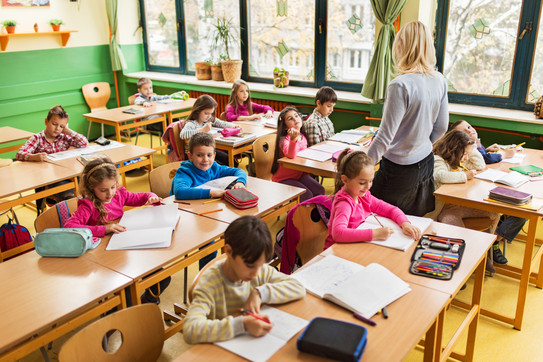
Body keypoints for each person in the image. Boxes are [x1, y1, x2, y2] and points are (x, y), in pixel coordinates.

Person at [367, 21, 449, 216]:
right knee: (411, 222)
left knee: (377, 217)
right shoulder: (439, 80)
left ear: (403, 46)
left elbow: (385, 137)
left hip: (398, 168)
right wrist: (421, 143)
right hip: (425, 161)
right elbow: (442, 127)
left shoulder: (400, 85)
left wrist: (361, 167)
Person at [183, 215, 306, 344]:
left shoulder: (259, 270)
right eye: (250, 266)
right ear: (229, 252)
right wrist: (242, 324)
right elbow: (190, 330)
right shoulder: (209, 283)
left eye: (261, 265)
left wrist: (259, 293)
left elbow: (298, 287)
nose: (255, 273)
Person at [64, 157, 170, 304]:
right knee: (126, 293)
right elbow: (70, 227)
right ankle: (119, 314)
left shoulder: (119, 194)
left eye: (113, 187)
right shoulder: (88, 204)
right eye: (103, 190)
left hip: (123, 248)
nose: (110, 194)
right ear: (91, 188)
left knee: (163, 277)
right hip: (102, 258)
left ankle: (147, 303)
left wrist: (151, 197)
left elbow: (142, 196)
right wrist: (104, 229)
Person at [451, 120, 526, 265]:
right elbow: (483, 160)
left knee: (522, 210)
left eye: (469, 126)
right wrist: (502, 154)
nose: (469, 131)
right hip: (474, 194)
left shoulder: (476, 145)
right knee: (519, 213)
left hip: (484, 186)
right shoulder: (465, 150)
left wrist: (487, 149)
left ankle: (494, 241)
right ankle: (492, 242)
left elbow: (483, 155)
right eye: (464, 131)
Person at [171, 132, 247, 269]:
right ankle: (205, 278)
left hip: (207, 213)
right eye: (199, 155)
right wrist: (211, 192)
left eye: (209, 155)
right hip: (183, 219)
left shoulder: (214, 167)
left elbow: (239, 172)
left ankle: (223, 272)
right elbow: (180, 192)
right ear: (190, 156)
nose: (205, 159)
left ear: (214, 155)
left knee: (234, 234)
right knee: (210, 242)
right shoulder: (185, 172)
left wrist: (240, 182)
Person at [432, 130, 505, 268]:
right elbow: (440, 176)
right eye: (464, 154)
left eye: (467, 154)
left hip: (460, 205)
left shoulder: (457, 161)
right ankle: (462, 263)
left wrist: (472, 147)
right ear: (454, 149)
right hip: (444, 208)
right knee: (456, 231)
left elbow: (479, 165)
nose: (466, 158)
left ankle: (485, 252)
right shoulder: (439, 159)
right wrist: (465, 176)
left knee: (494, 213)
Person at [325, 149, 421, 249]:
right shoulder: (344, 204)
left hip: (356, 246)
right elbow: (338, 234)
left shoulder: (363, 196)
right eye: (362, 183)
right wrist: (374, 234)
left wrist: (405, 224)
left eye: (370, 181)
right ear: (345, 179)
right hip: (336, 251)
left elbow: (391, 209)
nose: (368, 187)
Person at [16, 105, 89, 211]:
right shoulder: (37, 138)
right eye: (54, 124)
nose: (57, 129)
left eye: (61, 126)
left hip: (68, 174)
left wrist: (68, 131)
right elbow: (19, 154)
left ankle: (88, 216)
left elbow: (84, 143)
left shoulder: (64, 136)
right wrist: (34, 157)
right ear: (46, 122)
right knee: (71, 196)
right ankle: (72, 219)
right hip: (50, 180)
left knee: (89, 185)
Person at [271, 106, 325, 202]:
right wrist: (293, 139)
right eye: (290, 119)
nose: (295, 119)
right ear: (285, 126)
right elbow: (291, 155)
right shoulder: (283, 140)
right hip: (284, 179)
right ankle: (303, 216)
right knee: (307, 195)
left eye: (296, 115)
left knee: (320, 190)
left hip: (298, 175)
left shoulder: (303, 136)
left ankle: (317, 214)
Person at [180, 94, 238, 166]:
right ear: (197, 111)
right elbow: (183, 134)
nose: (209, 116)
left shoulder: (207, 119)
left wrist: (234, 126)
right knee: (221, 166)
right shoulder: (192, 123)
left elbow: (220, 123)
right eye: (206, 113)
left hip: (207, 152)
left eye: (211, 113)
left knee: (233, 162)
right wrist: (202, 130)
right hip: (196, 156)